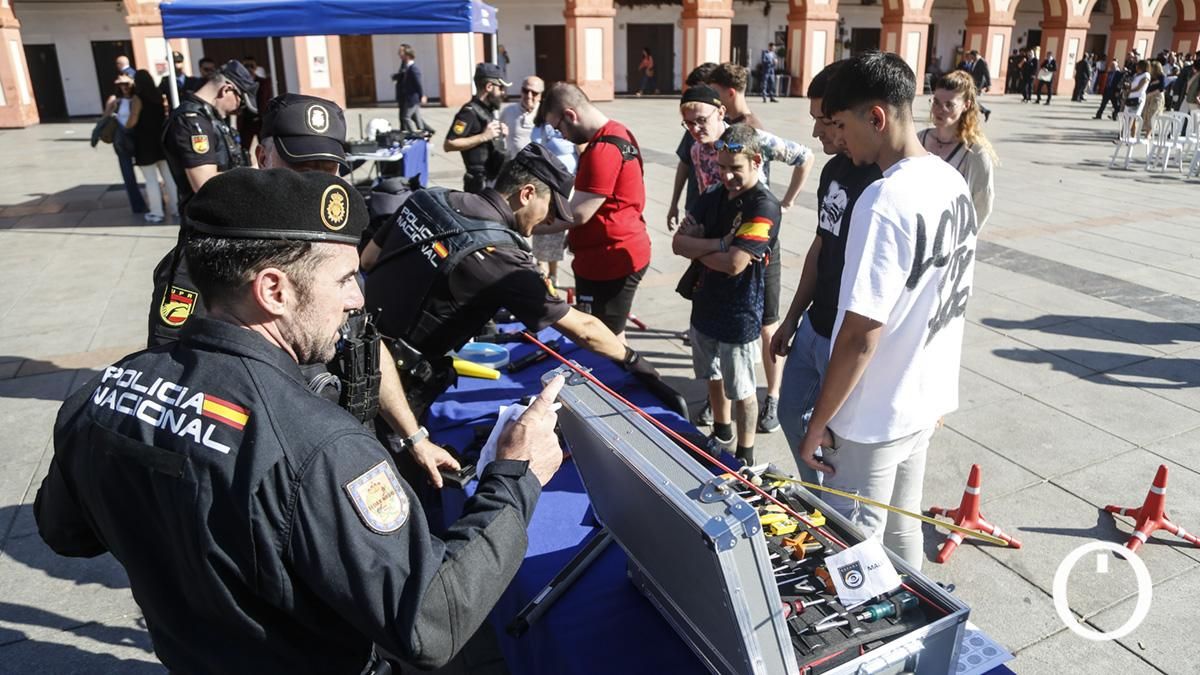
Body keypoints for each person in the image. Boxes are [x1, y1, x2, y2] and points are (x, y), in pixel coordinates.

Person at [35, 167, 567, 673]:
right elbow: (431, 622)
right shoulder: (322, 446)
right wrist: (513, 477)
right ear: (274, 292)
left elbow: (65, 532)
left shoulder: (105, 388)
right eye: (345, 280)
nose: (358, 299)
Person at [799, 51, 978, 569]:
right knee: (902, 534)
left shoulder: (884, 198)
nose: (839, 138)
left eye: (841, 125)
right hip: (922, 399)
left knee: (853, 549)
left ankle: (867, 644)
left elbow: (860, 334)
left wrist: (821, 421)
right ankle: (918, 628)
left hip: (871, 415)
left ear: (876, 117)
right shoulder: (950, 180)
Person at [362, 143, 661, 415]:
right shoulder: (501, 255)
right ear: (527, 194)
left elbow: (369, 259)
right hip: (394, 390)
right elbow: (583, 329)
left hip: (360, 343)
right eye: (551, 209)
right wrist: (635, 362)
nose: (550, 221)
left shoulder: (429, 198)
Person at [771, 61, 882, 485]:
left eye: (826, 121)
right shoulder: (835, 170)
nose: (818, 133)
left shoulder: (882, 183)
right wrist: (793, 317)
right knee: (788, 411)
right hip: (814, 327)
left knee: (840, 440)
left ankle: (837, 502)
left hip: (848, 337)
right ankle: (816, 491)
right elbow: (821, 245)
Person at [702, 64, 814, 433]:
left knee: (767, 323)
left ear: (729, 92)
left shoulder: (755, 133)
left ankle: (774, 396)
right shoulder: (716, 129)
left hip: (759, 238)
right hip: (725, 232)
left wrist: (786, 202)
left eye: (715, 92)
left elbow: (804, 156)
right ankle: (719, 396)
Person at [672, 124, 781, 465]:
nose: (727, 175)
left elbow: (735, 264)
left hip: (740, 312)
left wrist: (699, 248)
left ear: (756, 161)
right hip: (705, 305)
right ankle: (722, 433)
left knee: (743, 389)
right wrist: (719, 244)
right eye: (721, 167)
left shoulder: (764, 205)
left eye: (735, 168)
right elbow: (677, 244)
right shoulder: (713, 195)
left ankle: (745, 453)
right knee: (712, 377)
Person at [150, 59, 259, 347]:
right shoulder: (191, 121)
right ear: (226, 89)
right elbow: (205, 182)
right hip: (201, 241)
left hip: (222, 234)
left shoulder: (211, 118)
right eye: (239, 101)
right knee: (178, 330)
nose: (238, 109)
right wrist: (254, 179)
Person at [534, 82, 652, 341]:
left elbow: (580, 214)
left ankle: (617, 382)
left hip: (611, 260)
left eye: (558, 128)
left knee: (608, 339)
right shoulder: (618, 133)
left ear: (570, 115)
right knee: (602, 335)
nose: (561, 136)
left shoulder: (604, 149)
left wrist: (527, 225)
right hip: (604, 256)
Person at [918, 71, 997, 229]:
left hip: (950, 238)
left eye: (949, 105)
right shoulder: (920, 139)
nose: (940, 109)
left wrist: (962, 238)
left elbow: (982, 205)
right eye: (936, 102)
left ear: (965, 105)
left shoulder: (975, 153)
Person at [667, 63, 721, 236]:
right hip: (697, 209)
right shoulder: (694, 132)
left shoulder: (734, 131)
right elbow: (684, 163)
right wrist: (674, 203)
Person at [444, 63, 510, 193]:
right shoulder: (468, 112)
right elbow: (449, 144)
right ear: (489, 86)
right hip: (478, 184)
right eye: (501, 87)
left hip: (492, 179)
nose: (503, 93)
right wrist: (483, 136)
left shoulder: (487, 110)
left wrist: (499, 135)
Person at [529, 121, 579, 287]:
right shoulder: (542, 126)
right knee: (543, 223)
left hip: (569, 184)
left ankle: (553, 272)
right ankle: (540, 264)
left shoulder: (572, 127)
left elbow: (581, 150)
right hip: (548, 183)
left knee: (558, 230)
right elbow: (537, 147)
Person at [131, 70, 178, 223]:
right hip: (160, 141)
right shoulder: (158, 95)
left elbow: (133, 120)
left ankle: (156, 212)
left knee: (151, 179)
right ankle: (177, 208)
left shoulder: (138, 98)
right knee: (169, 177)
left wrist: (122, 124)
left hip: (145, 143)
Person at [103, 74, 148, 215]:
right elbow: (105, 118)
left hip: (137, 139)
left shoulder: (137, 99)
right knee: (128, 176)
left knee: (149, 173)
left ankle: (156, 200)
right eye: (121, 85)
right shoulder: (115, 100)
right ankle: (138, 205)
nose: (124, 87)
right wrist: (110, 108)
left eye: (127, 84)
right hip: (121, 141)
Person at [393, 44, 434, 135]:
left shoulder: (413, 68)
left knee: (406, 117)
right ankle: (423, 132)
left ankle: (416, 134)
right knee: (417, 117)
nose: (399, 54)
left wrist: (422, 95)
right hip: (408, 97)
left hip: (412, 98)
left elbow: (418, 83)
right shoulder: (406, 66)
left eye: (401, 52)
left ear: (407, 55)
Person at [500, 76, 544, 158]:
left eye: (534, 93)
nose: (529, 96)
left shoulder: (545, 113)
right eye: (526, 91)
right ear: (521, 91)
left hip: (538, 166)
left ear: (540, 96)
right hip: (514, 165)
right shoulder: (508, 111)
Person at [958, 50, 991, 121]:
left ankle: (979, 112)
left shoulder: (982, 62)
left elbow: (986, 73)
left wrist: (989, 85)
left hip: (978, 84)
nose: (970, 58)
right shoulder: (974, 62)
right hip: (973, 83)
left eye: (971, 56)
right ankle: (984, 111)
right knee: (971, 99)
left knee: (970, 98)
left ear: (974, 55)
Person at [1125, 60, 1151, 137]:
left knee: (1133, 117)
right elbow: (1133, 85)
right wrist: (1127, 86)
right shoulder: (1137, 75)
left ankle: (1126, 135)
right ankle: (1131, 136)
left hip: (1138, 98)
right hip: (1131, 97)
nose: (1136, 67)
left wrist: (1129, 91)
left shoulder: (1146, 75)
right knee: (1129, 118)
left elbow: (1139, 87)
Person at [1142, 60, 1167, 138]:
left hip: (1157, 97)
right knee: (1147, 113)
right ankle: (1147, 131)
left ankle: (1148, 133)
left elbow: (1161, 88)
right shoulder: (1151, 76)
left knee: (1153, 114)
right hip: (1149, 97)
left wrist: (1150, 94)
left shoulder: (1161, 76)